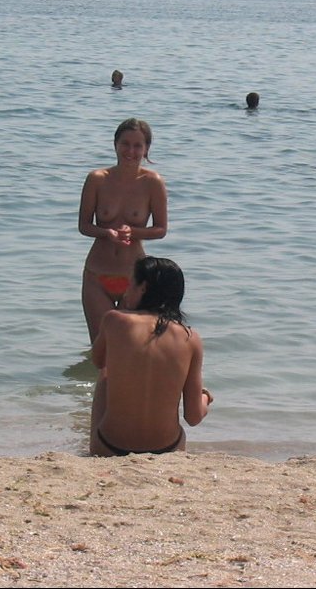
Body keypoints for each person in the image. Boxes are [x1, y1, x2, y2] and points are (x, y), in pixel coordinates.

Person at [90, 256, 212, 456]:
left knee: (105, 373)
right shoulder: (191, 338)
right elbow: (193, 417)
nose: (125, 291)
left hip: (109, 447)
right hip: (167, 449)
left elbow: (98, 361)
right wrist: (205, 397)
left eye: (130, 284)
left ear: (143, 288)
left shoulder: (114, 320)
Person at [79, 118, 168, 343]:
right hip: (97, 274)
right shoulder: (97, 179)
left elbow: (161, 229)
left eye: (138, 145)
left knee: (130, 346)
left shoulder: (153, 182)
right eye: (125, 144)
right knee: (101, 347)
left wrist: (134, 232)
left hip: (134, 278)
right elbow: (84, 225)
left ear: (146, 148)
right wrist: (106, 233)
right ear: (115, 144)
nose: (131, 151)